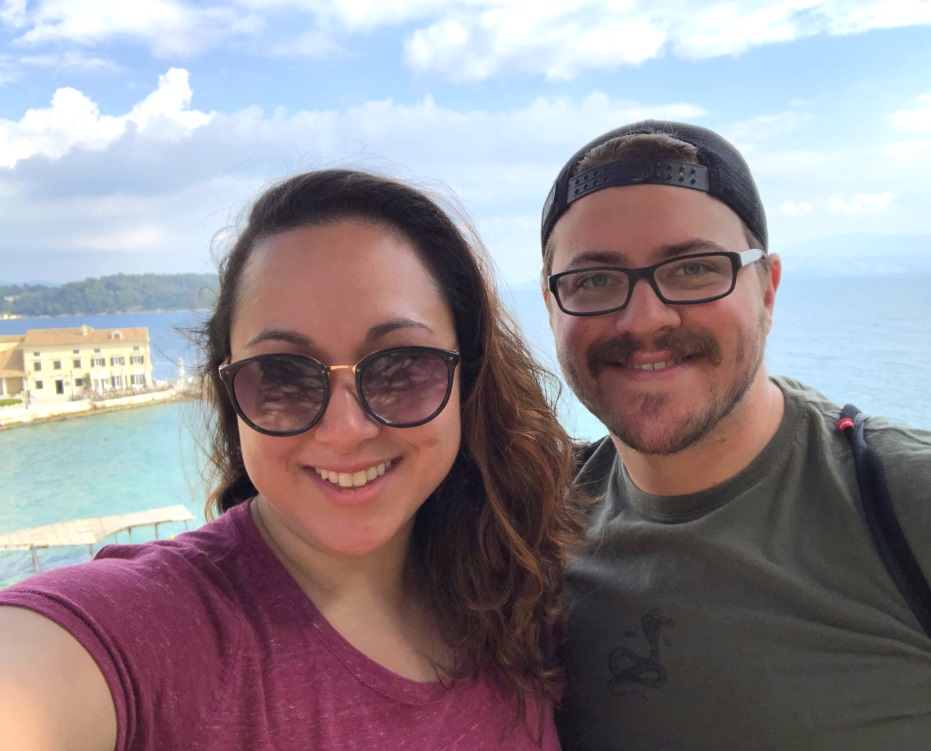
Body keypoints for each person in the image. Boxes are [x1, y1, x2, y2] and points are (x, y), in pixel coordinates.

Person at [0, 169, 581, 750]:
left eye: (402, 365)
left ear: (467, 377)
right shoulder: (156, 632)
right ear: (230, 394)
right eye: (280, 375)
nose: (346, 430)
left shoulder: (517, 591)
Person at [539, 120, 931, 750]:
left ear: (768, 288)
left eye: (695, 269)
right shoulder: (529, 523)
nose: (644, 317)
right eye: (593, 281)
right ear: (550, 304)